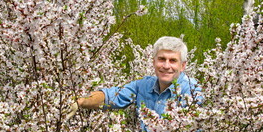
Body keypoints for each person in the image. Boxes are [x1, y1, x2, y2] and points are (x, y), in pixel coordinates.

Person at [68, 36, 202, 120]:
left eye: (173, 60)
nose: (166, 66)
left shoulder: (192, 91)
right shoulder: (143, 86)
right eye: (161, 59)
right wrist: (79, 101)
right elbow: (111, 96)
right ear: (153, 62)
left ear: (183, 66)